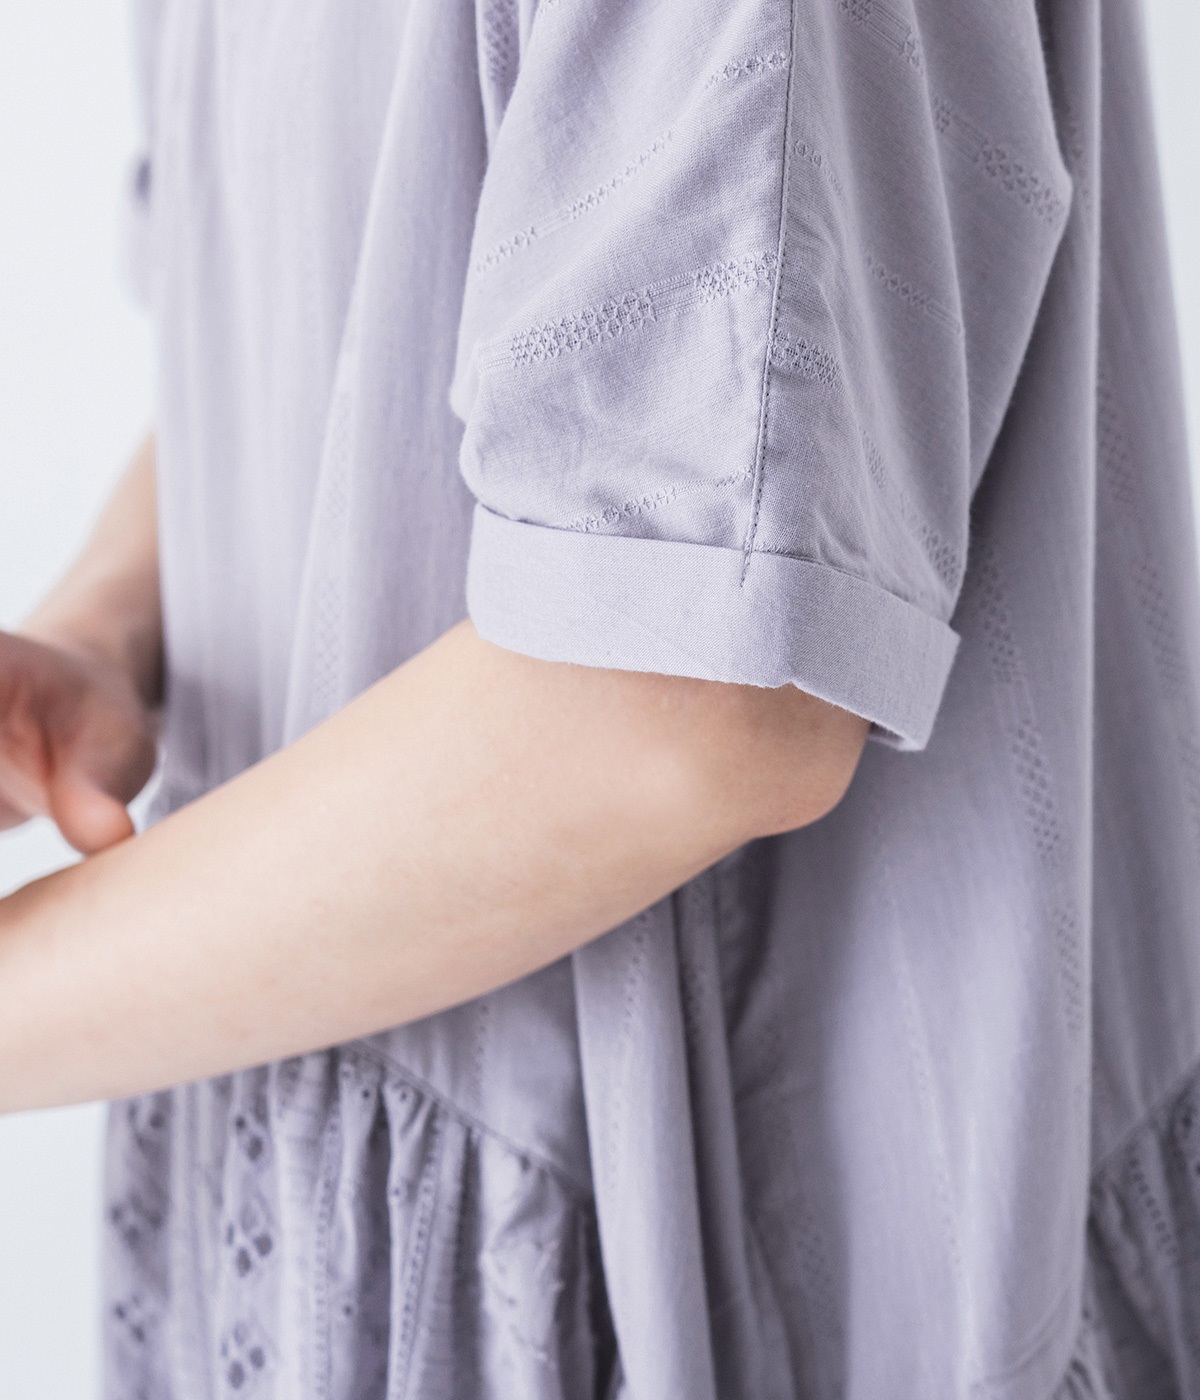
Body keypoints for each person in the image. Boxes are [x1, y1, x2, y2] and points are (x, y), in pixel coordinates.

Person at [2, 0, 1198, 1395]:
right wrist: (104, 624)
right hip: (325, 1144)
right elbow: (330, 280)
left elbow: (687, 708)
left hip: (748, 1229)